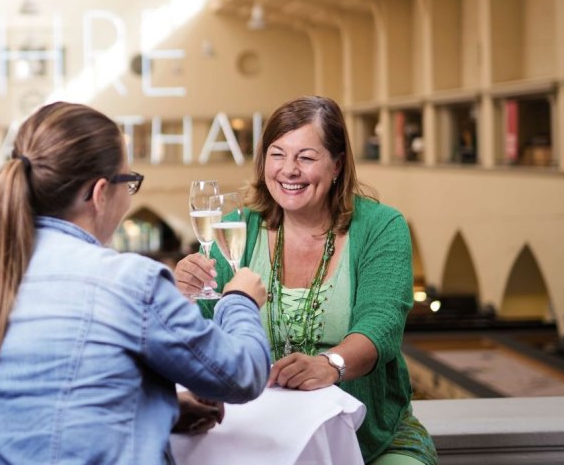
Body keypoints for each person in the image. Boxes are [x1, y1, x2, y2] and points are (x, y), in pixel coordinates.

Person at [0, 101, 271, 463]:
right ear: (100, 193)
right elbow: (242, 375)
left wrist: (162, 409)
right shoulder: (130, 280)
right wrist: (240, 299)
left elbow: (42, 405)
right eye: (129, 181)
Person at [176, 96, 437, 465]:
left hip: (366, 437)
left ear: (337, 165)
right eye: (277, 154)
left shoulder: (382, 226)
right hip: (259, 431)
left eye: (306, 157)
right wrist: (183, 293)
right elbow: (204, 326)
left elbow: (382, 325)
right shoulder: (238, 227)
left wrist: (331, 364)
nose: (288, 170)